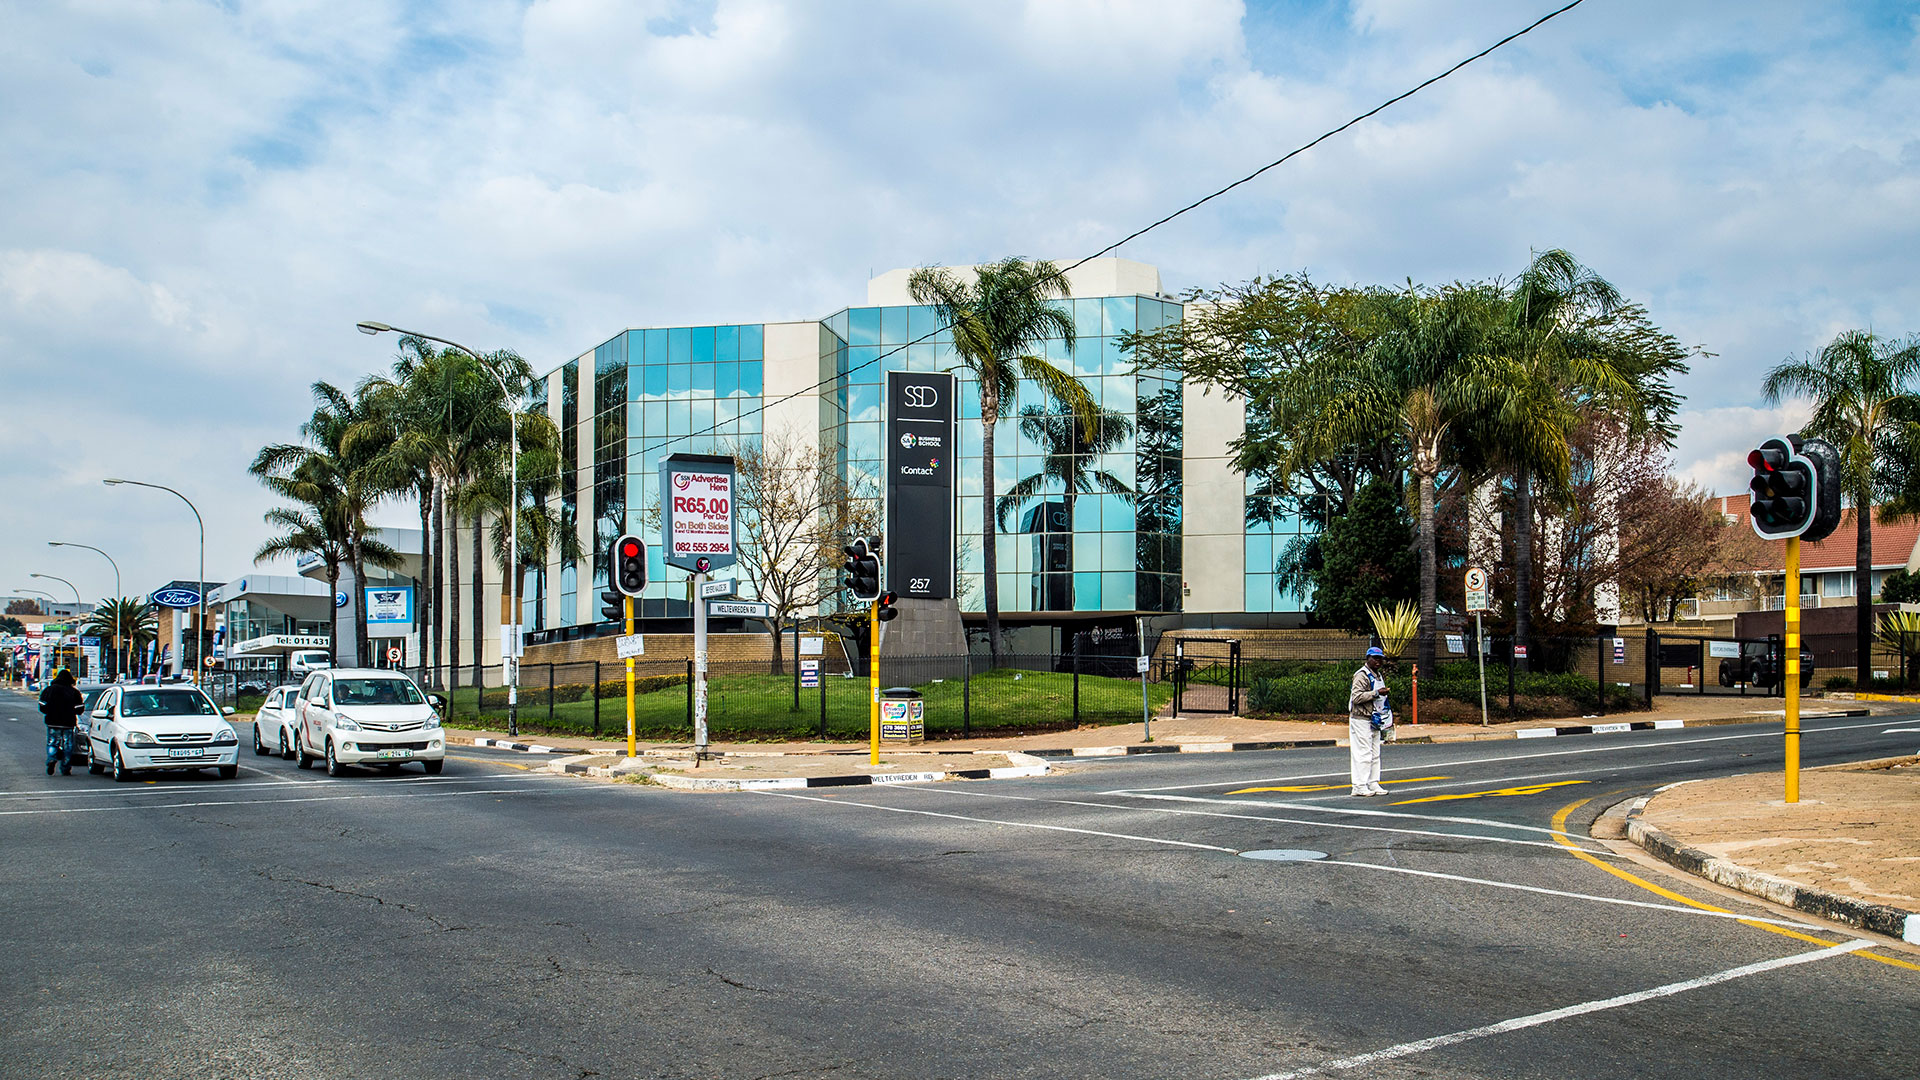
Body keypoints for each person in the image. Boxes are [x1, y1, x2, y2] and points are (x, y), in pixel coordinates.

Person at [1347, 647, 1393, 797]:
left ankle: (1373, 782)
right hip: (1361, 718)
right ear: (1368, 659)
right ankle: (1359, 785)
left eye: (1380, 659)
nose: (1378, 661)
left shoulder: (1377, 675)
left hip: (1374, 718)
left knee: (1375, 753)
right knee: (1363, 753)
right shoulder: (1361, 675)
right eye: (1375, 658)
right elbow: (1356, 697)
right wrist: (1376, 693)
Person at [39, 667, 84, 777]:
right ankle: (65, 767)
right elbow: (80, 708)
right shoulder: (74, 692)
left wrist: (49, 712)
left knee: (52, 742)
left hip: (52, 722)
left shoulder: (48, 690)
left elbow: (42, 705)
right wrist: (72, 711)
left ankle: (52, 758)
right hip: (68, 723)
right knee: (68, 745)